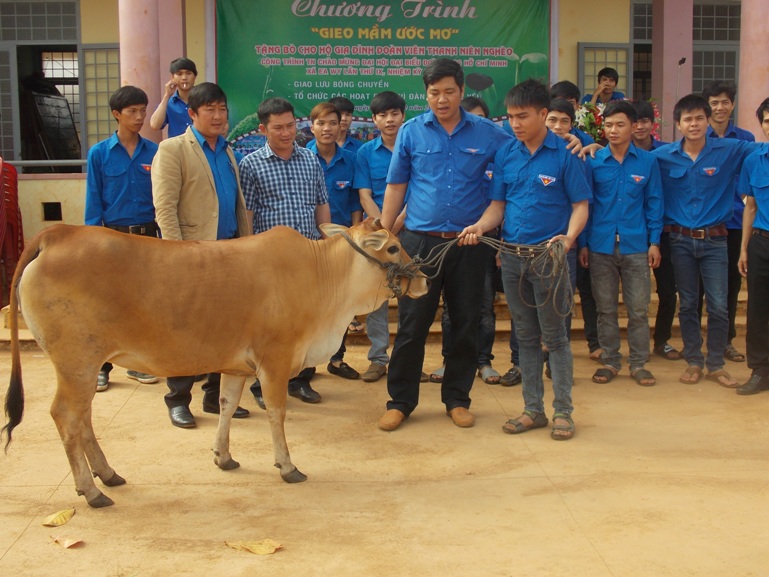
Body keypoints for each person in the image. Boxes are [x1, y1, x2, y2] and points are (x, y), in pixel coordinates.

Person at [377, 58, 513, 431]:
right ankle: (400, 402)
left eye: (449, 91)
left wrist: (575, 144)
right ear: (426, 94)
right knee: (411, 325)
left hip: (469, 245)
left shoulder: (489, 133)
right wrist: (386, 235)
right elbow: (396, 187)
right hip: (419, 243)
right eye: (434, 93)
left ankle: (457, 398)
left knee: (466, 323)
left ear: (462, 91)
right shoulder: (411, 132)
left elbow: (523, 151)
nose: (442, 99)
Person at [460, 79, 590, 441]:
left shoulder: (566, 154)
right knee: (526, 337)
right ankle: (533, 409)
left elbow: (581, 205)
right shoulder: (506, 155)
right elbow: (497, 207)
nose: (515, 124)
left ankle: (563, 411)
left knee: (557, 338)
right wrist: (479, 226)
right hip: (513, 258)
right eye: (511, 117)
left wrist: (569, 238)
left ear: (544, 114)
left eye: (523, 116)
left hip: (550, 258)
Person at [152, 82, 252, 428]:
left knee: (224, 329)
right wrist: (179, 254)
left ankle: (214, 397)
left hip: (229, 252)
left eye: (222, 109)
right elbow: (164, 207)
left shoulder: (227, 151)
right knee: (186, 328)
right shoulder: (172, 149)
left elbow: (235, 203)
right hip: (191, 256)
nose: (218, 115)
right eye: (209, 109)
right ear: (192, 114)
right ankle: (178, 399)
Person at [652, 94, 761, 387]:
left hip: (716, 241)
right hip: (680, 241)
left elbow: (762, 149)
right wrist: (592, 146)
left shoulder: (730, 150)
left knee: (718, 305)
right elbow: (631, 160)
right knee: (687, 304)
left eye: (700, 118)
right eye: (688, 119)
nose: (694, 124)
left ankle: (715, 363)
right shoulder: (663, 156)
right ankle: (694, 361)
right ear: (678, 124)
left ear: (708, 120)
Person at [239, 97, 331, 407]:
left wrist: (327, 245)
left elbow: (321, 204)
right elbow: (248, 213)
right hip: (270, 263)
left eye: (291, 125)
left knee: (306, 322)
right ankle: (261, 386)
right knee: (269, 326)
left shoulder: (310, 159)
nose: (286, 132)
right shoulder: (251, 164)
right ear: (263, 129)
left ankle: (301, 381)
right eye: (278, 128)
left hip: (308, 256)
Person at [580, 100, 664, 386]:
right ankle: (611, 361)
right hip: (600, 246)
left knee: (638, 309)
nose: (613, 130)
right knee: (605, 308)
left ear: (633, 127)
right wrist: (583, 244)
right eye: (608, 125)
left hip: (636, 246)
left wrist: (655, 242)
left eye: (619, 124)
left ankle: (639, 363)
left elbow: (654, 203)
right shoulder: (593, 161)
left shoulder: (648, 162)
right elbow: (585, 206)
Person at [84, 85, 160, 391]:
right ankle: (102, 366)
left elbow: (163, 198)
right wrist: (93, 241)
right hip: (112, 239)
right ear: (117, 114)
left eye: (143, 110)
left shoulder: (155, 152)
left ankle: (139, 365)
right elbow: (93, 199)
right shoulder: (99, 154)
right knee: (105, 303)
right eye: (132, 111)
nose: (140, 117)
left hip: (148, 239)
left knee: (144, 302)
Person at [430, 95, 502, 386]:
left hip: (485, 240)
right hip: (451, 240)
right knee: (452, 308)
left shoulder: (496, 147)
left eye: (479, 120)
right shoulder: (449, 156)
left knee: (483, 306)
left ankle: (483, 361)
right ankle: (451, 360)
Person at [306, 101, 362, 381]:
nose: (327, 129)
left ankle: (337, 359)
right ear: (311, 126)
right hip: (309, 244)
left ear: (341, 125)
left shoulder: (352, 160)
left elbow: (355, 202)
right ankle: (306, 363)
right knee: (309, 304)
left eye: (332, 123)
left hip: (342, 245)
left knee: (340, 304)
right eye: (321, 123)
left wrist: (353, 238)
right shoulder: (302, 157)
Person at [354, 90, 407, 383]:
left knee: (413, 296)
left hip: (412, 228)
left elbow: (421, 190)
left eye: (395, 114)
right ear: (374, 120)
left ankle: (409, 360)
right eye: (383, 115)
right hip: (378, 233)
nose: (390, 120)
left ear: (403, 115)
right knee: (377, 296)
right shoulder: (365, 153)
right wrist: (386, 227)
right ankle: (378, 358)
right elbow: (364, 194)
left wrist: (398, 223)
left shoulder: (415, 147)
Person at [701, 80, 755, 364]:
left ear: (732, 105)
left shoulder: (745, 139)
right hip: (706, 222)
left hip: (735, 223)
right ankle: (696, 343)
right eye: (714, 102)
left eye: (725, 102)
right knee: (698, 288)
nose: (720, 108)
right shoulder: (698, 137)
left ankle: (725, 342)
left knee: (730, 287)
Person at [545, 98, 602, 363]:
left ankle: (559, 362)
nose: (558, 126)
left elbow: (584, 204)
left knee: (562, 303)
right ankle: (525, 362)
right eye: (552, 120)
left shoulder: (578, 153)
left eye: (564, 121)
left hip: (565, 242)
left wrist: (580, 241)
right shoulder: (523, 147)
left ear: (572, 123)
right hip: (529, 243)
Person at [631, 100, 681, 362]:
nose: (640, 126)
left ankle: (662, 340)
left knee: (667, 290)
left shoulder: (666, 153)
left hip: (662, 231)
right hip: (630, 233)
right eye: (635, 121)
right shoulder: (617, 153)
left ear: (653, 123)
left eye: (645, 121)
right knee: (633, 297)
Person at [736, 97, 769, 395]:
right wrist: (744, 248)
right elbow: (750, 206)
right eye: (768, 121)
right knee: (758, 308)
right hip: (762, 243)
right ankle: (760, 370)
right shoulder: (753, 161)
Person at [149, 57, 197, 137]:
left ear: (195, 76)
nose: (184, 78)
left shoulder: (203, 100)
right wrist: (167, 95)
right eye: (179, 74)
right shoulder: (169, 103)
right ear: (172, 77)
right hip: (176, 148)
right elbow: (155, 125)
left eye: (188, 73)